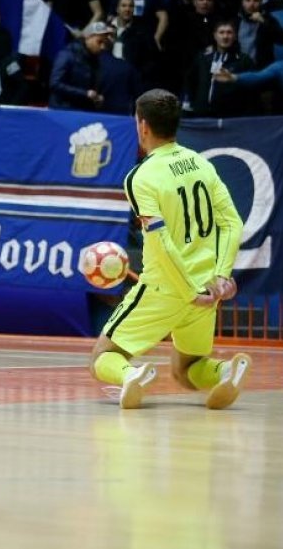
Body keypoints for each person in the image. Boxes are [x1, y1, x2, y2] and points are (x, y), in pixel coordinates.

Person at [89, 89, 249, 410]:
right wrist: (220, 274)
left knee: (103, 357)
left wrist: (186, 289)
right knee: (186, 370)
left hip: (167, 287)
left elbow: (161, 242)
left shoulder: (141, 177)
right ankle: (225, 371)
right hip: (206, 287)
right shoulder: (201, 164)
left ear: (142, 125)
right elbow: (232, 222)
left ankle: (132, 375)